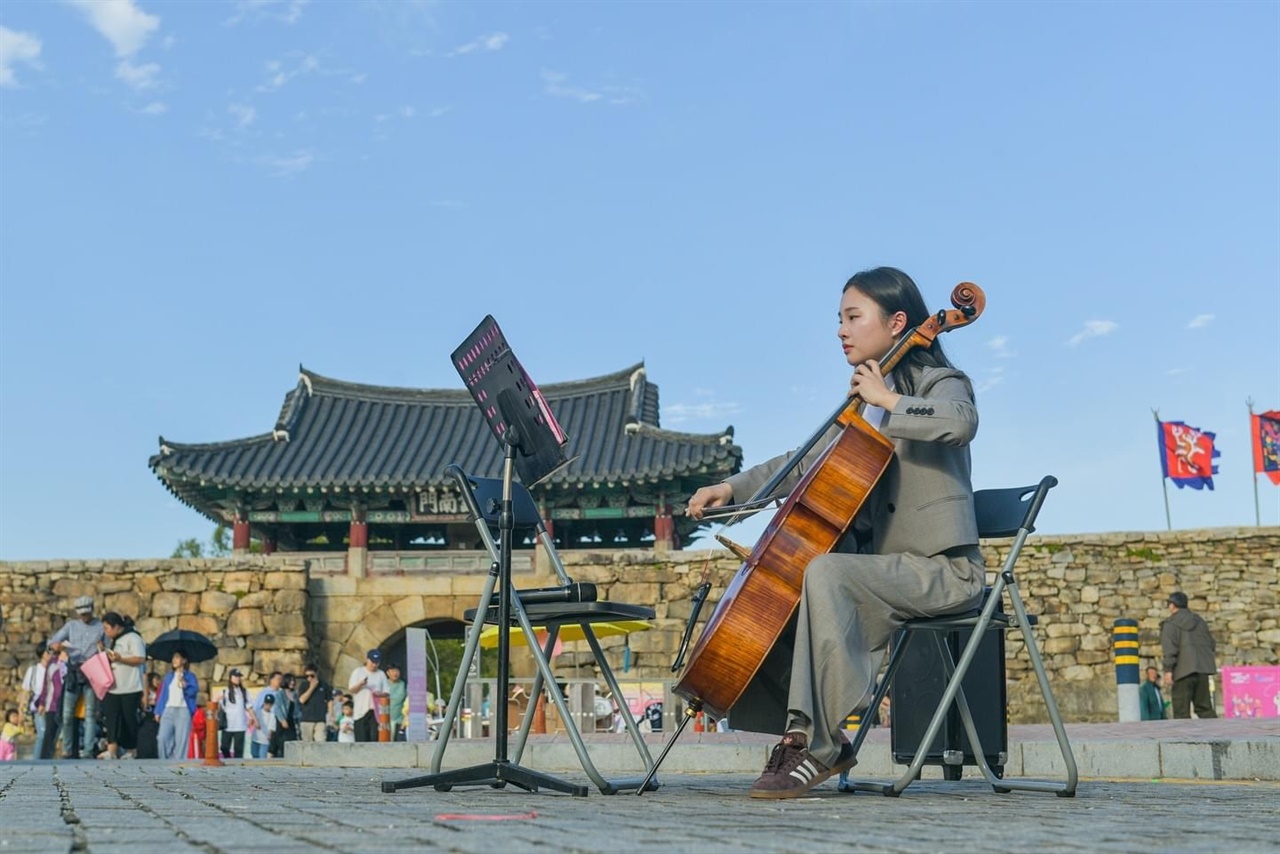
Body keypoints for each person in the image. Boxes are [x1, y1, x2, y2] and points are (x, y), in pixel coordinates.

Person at [687, 266, 986, 799]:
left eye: (853, 317)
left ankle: (817, 746)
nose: (841, 330)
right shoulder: (860, 404)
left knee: (824, 571)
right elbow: (800, 461)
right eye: (839, 319)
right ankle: (803, 735)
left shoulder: (939, 383)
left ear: (898, 323)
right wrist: (730, 490)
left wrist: (890, 401)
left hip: (943, 572)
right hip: (881, 572)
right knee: (796, 581)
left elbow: (960, 422)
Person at [48, 595, 106, 758]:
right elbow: (51, 643)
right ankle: (67, 749)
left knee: (90, 713)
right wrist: (56, 646)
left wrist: (102, 648)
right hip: (74, 671)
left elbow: (108, 648)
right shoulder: (71, 626)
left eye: (86, 614)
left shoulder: (100, 627)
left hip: (92, 671)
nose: (84, 617)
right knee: (67, 714)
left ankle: (87, 750)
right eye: (81, 614)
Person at [1161, 592, 1218, 719]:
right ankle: (1216, 737)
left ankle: (1184, 738)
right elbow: (1211, 644)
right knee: (1205, 709)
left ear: (1173, 605)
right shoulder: (1200, 622)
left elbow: (1170, 649)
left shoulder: (1170, 624)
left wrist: (1168, 670)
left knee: (1181, 712)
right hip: (1202, 670)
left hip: (1183, 672)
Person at [99, 612, 146, 759]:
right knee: (111, 718)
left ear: (116, 626)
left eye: (107, 628)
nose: (106, 632)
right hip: (113, 687)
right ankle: (111, 749)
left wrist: (121, 659)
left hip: (130, 686)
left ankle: (132, 749)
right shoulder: (113, 641)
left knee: (128, 719)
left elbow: (140, 659)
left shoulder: (133, 638)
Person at [155, 650, 199, 759]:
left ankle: (180, 766)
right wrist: (158, 711)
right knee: (162, 738)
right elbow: (163, 695)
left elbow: (193, 692)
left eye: (177, 657)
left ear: (184, 660)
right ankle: (164, 762)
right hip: (168, 710)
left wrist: (185, 684)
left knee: (182, 740)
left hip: (183, 710)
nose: (174, 660)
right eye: (173, 658)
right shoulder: (169, 677)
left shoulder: (190, 676)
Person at [348, 649, 389, 742]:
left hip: (375, 711)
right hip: (361, 710)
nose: (374, 665)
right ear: (367, 660)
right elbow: (351, 689)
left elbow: (386, 692)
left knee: (374, 737)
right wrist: (361, 684)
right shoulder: (358, 672)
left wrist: (379, 694)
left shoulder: (381, 674)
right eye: (372, 662)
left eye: (376, 663)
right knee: (362, 738)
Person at [19, 644, 53, 758]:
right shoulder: (33, 670)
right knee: (42, 733)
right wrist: (21, 710)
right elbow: (25, 690)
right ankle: (37, 759)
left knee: (51, 734)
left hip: (52, 704)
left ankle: (47, 758)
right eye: (48, 652)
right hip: (38, 704)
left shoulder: (55, 668)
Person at [219, 670, 250, 758]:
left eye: (239, 676)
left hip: (240, 725)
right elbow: (216, 703)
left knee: (239, 750)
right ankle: (228, 761)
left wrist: (254, 719)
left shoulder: (244, 692)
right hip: (228, 725)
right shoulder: (225, 691)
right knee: (224, 747)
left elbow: (249, 707)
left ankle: (238, 768)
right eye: (235, 676)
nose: (238, 678)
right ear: (230, 678)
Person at [297, 665, 330, 744]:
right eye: (307, 676)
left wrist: (331, 715)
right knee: (307, 744)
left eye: (312, 675)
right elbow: (302, 700)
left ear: (316, 674)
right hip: (306, 719)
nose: (309, 678)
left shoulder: (324, 685)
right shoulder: (303, 685)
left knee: (321, 742)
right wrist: (312, 687)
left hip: (320, 719)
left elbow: (330, 700)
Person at [385, 663, 407, 741]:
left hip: (400, 721)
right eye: (393, 671)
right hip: (386, 721)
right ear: (388, 673)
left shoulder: (403, 684)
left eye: (397, 671)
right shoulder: (384, 684)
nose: (395, 673)